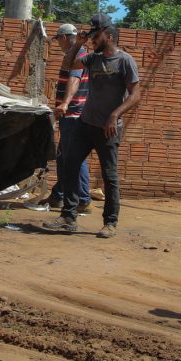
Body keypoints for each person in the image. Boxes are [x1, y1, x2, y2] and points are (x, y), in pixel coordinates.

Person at [44, 13, 140, 238]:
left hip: (108, 128)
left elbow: (135, 95)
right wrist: (78, 43)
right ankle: (68, 218)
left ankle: (110, 223)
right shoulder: (92, 59)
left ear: (108, 36)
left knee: (109, 175)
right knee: (69, 164)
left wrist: (114, 115)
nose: (92, 41)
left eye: (95, 37)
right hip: (85, 124)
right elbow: (69, 65)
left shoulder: (124, 61)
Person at [47, 23, 92, 213]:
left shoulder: (77, 55)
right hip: (74, 113)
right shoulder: (80, 54)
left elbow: (74, 79)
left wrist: (64, 104)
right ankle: (59, 194)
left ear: (64, 37)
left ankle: (82, 198)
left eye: (58, 39)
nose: (58, 43)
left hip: (73, 113)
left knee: (73, 156)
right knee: (64, 156)